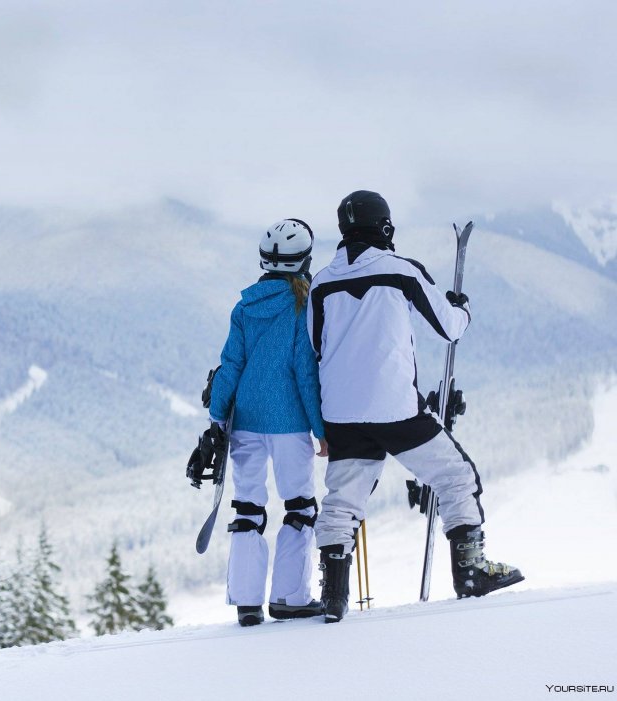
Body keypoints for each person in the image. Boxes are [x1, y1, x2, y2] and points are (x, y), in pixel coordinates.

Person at [308, 190, 523, 623]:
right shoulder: (400, 270)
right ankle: (470, 572)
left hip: (340, 411)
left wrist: (322, 423)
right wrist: (462, 307)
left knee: (342, 500)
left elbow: (315, 347)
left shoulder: (321, 282)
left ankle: (333, 596)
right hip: (395, 408)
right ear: (384, 227)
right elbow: (449, 328)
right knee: (456, 476)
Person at [208, 218, 328, 627]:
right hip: (290, 422)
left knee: (248, 508)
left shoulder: (244, 306)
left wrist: (217, 418)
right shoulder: (302, 306)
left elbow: (231, 366)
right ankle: (289, 598)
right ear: (304, 261)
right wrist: (322, 430)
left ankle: (246, 601)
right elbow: (304, 371)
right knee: (299, 506)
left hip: (244, 422)